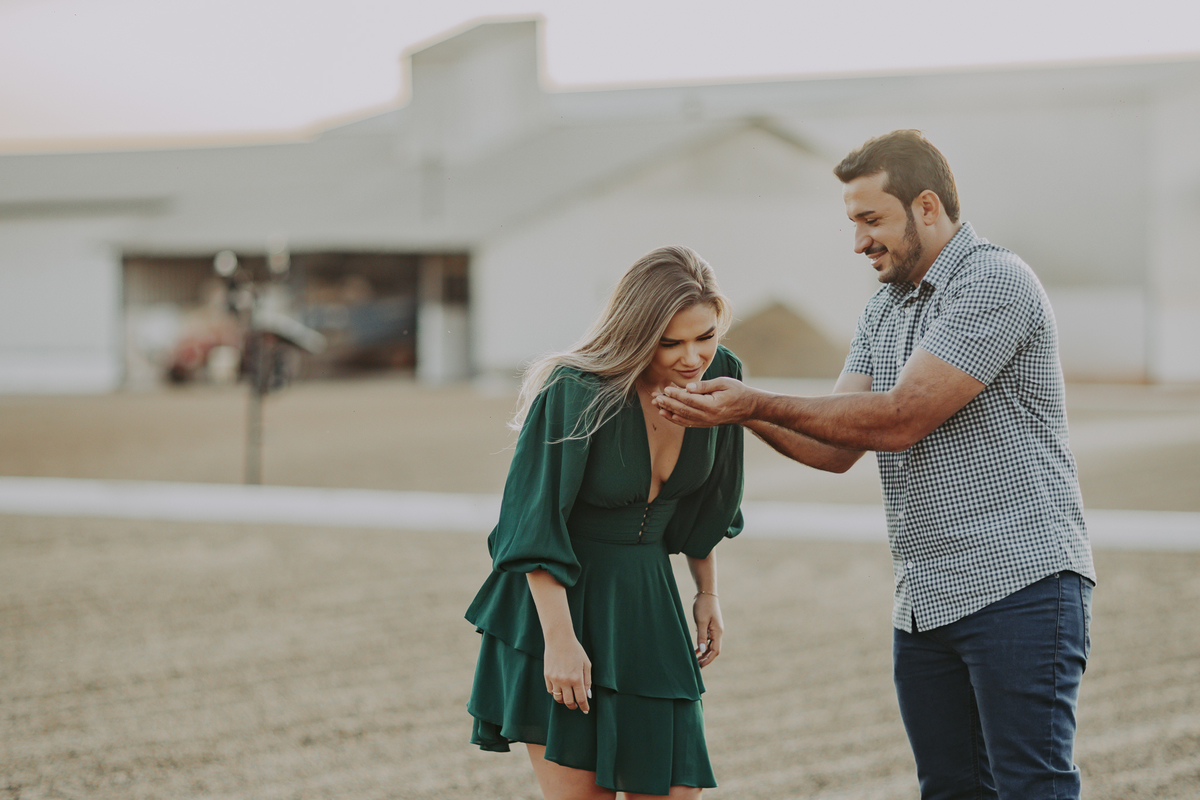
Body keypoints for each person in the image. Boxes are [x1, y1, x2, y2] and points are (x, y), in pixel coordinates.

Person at [653, 130, 1096, 800]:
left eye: (869, 219)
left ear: (925, 207)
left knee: (1031, 787)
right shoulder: (884, 310)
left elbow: (899, 418)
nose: (858, 241)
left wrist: (754, 398)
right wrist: (737, 412)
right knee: (949, 790)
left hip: (1020, 587)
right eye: (852, 222)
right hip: (925, 602)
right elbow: (834, 446)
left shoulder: (994, 283)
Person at [466, 245, 745, 799]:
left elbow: (710, 501)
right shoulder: (575, 388)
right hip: (557, 607)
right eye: (671, 343)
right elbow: (532, 524)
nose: (693, 357)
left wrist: (707, 592)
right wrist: (561, 643)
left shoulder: (725, 376)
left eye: (705, 336)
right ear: (637, 331)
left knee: (672, 789)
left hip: (647, 607)